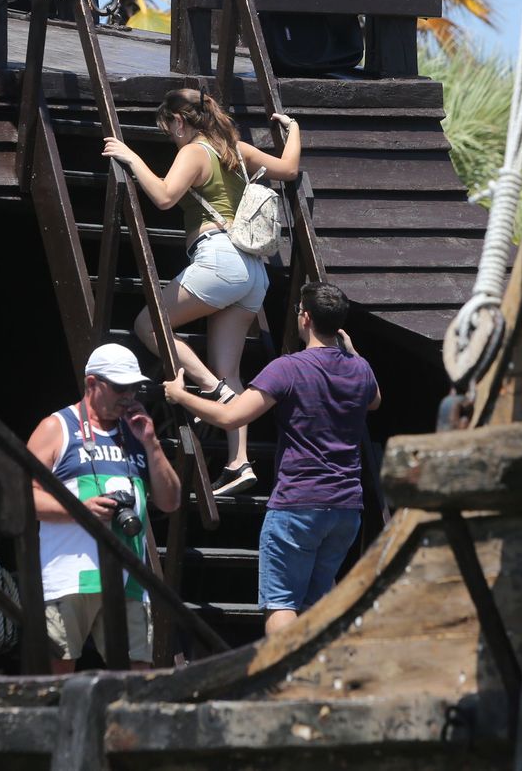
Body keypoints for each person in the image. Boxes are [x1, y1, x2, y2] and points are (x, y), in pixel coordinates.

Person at [101, 88, 302, 496]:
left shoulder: (194, 151)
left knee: (147, 325)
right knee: (231, 368)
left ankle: (213, 391)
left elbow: (163, 196)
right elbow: (290, 168)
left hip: (220, 258)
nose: (171, 137)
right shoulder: (236, 149)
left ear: (179, 121)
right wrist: (294, 128)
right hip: (254, 273)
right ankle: (239, 462)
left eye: (169, 129)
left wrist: (130, 155)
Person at [164, 281, 379, 636]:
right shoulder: (360, 370)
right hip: (345, 509)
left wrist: (180, 395)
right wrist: (353, 353)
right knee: (318, 605)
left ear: (305, 318)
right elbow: (374, 401)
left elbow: (232, 417)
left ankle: (285, 684)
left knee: (282, 604)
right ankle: (315, 682)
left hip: (299, 503)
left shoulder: (288, 368)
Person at [26, 343, 181, 671]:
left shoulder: (137, 432)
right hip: (69, 578)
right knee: (57, 679)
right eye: (119, 387)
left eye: (134, 388)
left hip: (129, 579)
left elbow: (170, 501)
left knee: (136, 679)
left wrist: (152, 443)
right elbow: (22, 497)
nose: (128, 396)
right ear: (92, 384)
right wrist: (79, 510)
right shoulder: (57, 427)